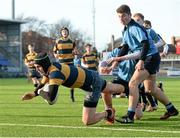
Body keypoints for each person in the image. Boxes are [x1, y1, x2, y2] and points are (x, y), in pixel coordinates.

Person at [109, 4, 178, 123]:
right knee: (150, 90)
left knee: (132, 83)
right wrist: (115, 62)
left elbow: (145, 44)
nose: (121, 19)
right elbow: (125, 48)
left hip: (149, 58)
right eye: (119, 17)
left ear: (130, 15)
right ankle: (171, 109)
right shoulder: (125, 30)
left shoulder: (135, 27)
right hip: (151, 57)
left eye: (124, 16)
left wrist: (141, 61)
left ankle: (129, 116)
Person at [21, 53, 125, 126]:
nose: (37, 70)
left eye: (38, 67)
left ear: (44, 65)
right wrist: (34, 94)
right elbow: (43, 83)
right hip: (91, 76)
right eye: (35, 67)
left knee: (87, 120)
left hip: (91, 85)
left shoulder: (55, 73)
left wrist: (39, 92)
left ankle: (108, 113)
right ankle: (128, 87)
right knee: (110, 88)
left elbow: (51, 99)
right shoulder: (49, 68)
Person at [53, 27, 76, 102]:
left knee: (72, 79)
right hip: (62, 63)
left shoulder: (72, 41)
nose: (64, 33)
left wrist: (75, 52)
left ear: (68, 33)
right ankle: (54, 94)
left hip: (70, 63)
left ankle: (72, 96)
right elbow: (54, 51)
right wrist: (55, 54)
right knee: (58, 79)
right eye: (63, 32)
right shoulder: (58, 41)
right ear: (61, 33)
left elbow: (75, 50)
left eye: (65, 31)